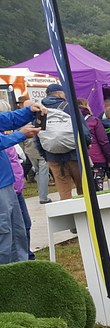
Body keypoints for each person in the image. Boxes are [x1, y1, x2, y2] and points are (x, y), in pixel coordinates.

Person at [0, 98, 43, 263]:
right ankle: (6, 275)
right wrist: (20, 135)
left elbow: (7, 119)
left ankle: (21, 267)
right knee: (3, 232)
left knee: (17, 230)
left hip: (7, 183)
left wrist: (29, 111)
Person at [38, 84, 89, 201]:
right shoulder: (68, 107)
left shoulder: (40, 110)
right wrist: (86, 146)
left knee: (64, 192)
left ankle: (70, 216)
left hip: (53, 156)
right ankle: (85, 214)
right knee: (83, 187)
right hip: (74, 153)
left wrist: (45, 155)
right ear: (59, 93)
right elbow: (83, 131)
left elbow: (37, 135)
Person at [17, 96, 49, 204]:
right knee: (43, 171)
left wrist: (23, 151)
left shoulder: (19, 120)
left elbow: (19, 139)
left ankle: (41, 193)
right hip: (38, 148)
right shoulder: (37, 117)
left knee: (38, 171)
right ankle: (43, 197)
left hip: (29, 150)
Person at [79, 98, 110, 191]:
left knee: (84, 189)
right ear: (86, 106)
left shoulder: (71, 119)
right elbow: (103, 141)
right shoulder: (94, 120)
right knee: (98, 188)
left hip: (79, 158)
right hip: (96, 158)